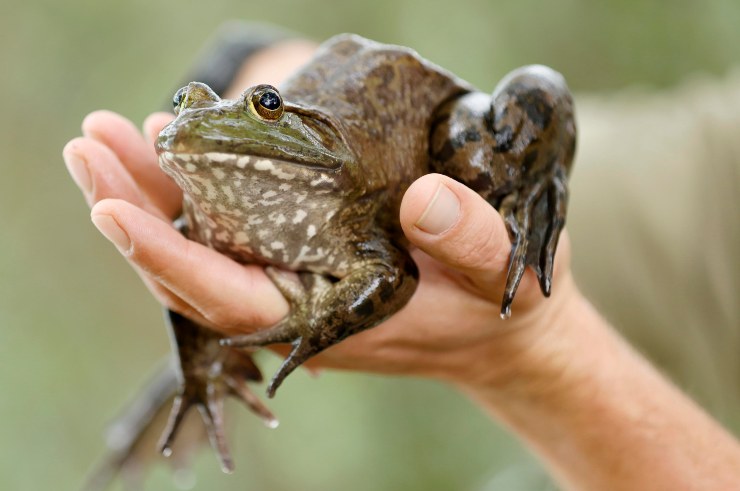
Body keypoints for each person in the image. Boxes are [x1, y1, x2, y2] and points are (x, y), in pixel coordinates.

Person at [62, 29, 740, 490]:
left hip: (411, 113)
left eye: (266, 108)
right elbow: (184, 243)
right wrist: (201, 359)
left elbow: (391, 270)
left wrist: (537, 352)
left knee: (481, 167)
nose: (190, 121)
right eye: (185, 111)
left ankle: (539, 184)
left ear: (282, 114)